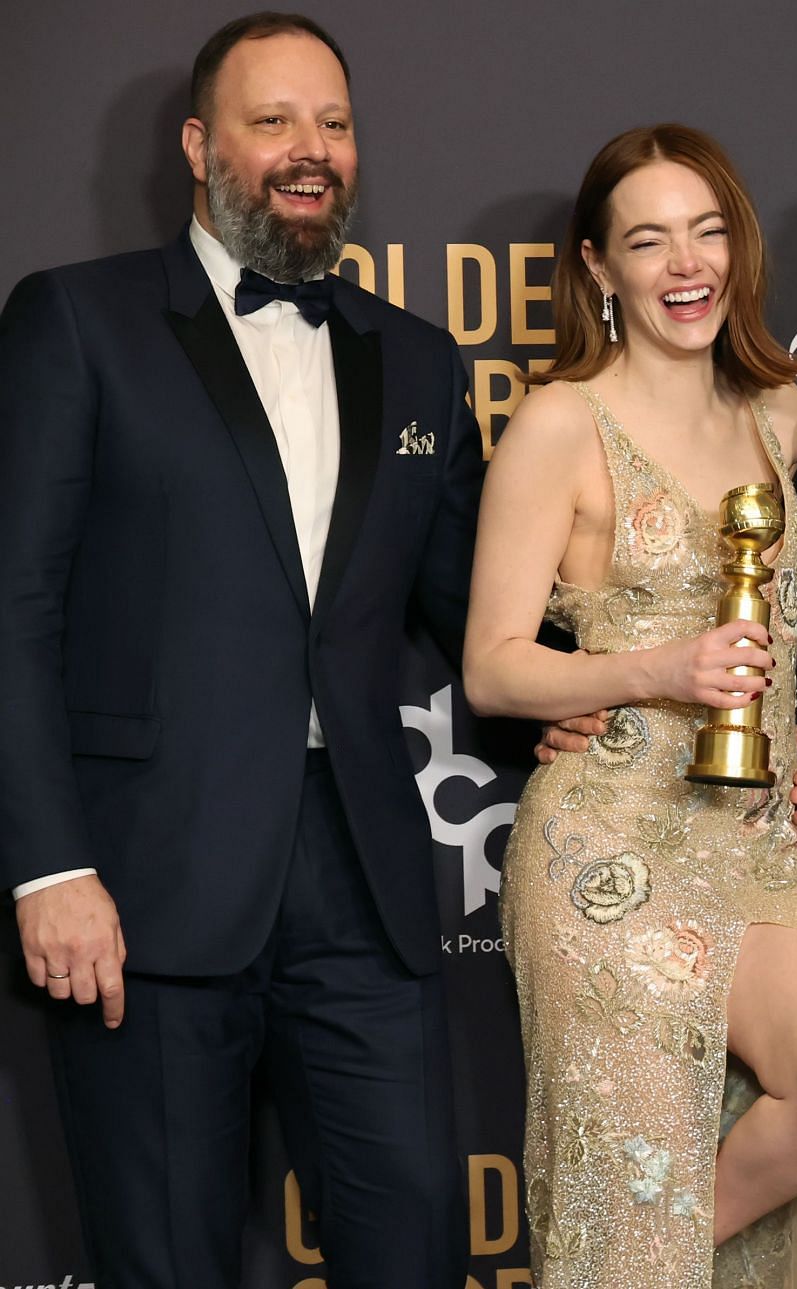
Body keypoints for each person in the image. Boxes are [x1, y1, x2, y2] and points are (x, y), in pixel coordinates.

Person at [0, 13, 479, 1286]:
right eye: (274, 122)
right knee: (164, 1258)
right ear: (201, 144)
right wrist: (49, 864)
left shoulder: (423, 364)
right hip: (141, 878)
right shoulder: (77, 321)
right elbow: (14, 607)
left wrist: (661, 707)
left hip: (362, 880)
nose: (308, 150)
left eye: (332, 122)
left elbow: (484, 628)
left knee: (417, 1239)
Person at [463, 124, 797, 1287]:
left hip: (753, 842)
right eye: (648, 240)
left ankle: (617, 1268)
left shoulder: (782, 417)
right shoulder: (561, 423)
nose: (684, 262)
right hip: (603, 845)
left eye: (705, 231)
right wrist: (654, 670)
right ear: (600, 268)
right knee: (630, 1160)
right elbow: (495, 665)